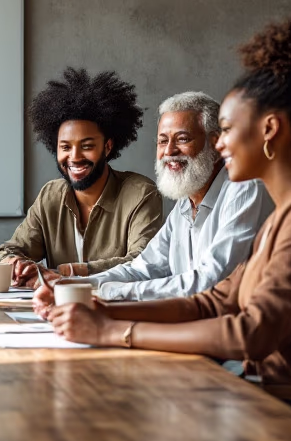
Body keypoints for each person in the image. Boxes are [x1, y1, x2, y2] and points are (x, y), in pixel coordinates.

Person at [37, 16, 291, 418]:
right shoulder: (286, 214)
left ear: (269, 130)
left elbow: (251, 333)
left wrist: (115, 331)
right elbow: (212, 303)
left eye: (226, 130)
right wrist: (102, 309)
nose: (219, 146)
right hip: (267, 393)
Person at [75, 91, 273, 301]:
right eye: (163, 141)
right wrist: (73, 284)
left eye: (182, 139)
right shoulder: (185, 204)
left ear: (215, 144)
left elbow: (212, 282)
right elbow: (141, 270)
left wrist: (110, 291)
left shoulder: (244, 188)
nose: (169, 151)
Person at [0, 68, 163, 287]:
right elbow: (6, 251)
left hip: (116, 304)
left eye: (87, 146)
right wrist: (14, 263)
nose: (74, 157)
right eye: (65, 147)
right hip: (57, 306)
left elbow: (143, 264)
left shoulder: (141, 193)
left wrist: (70, 272)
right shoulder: (51, 195)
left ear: (107, 146)